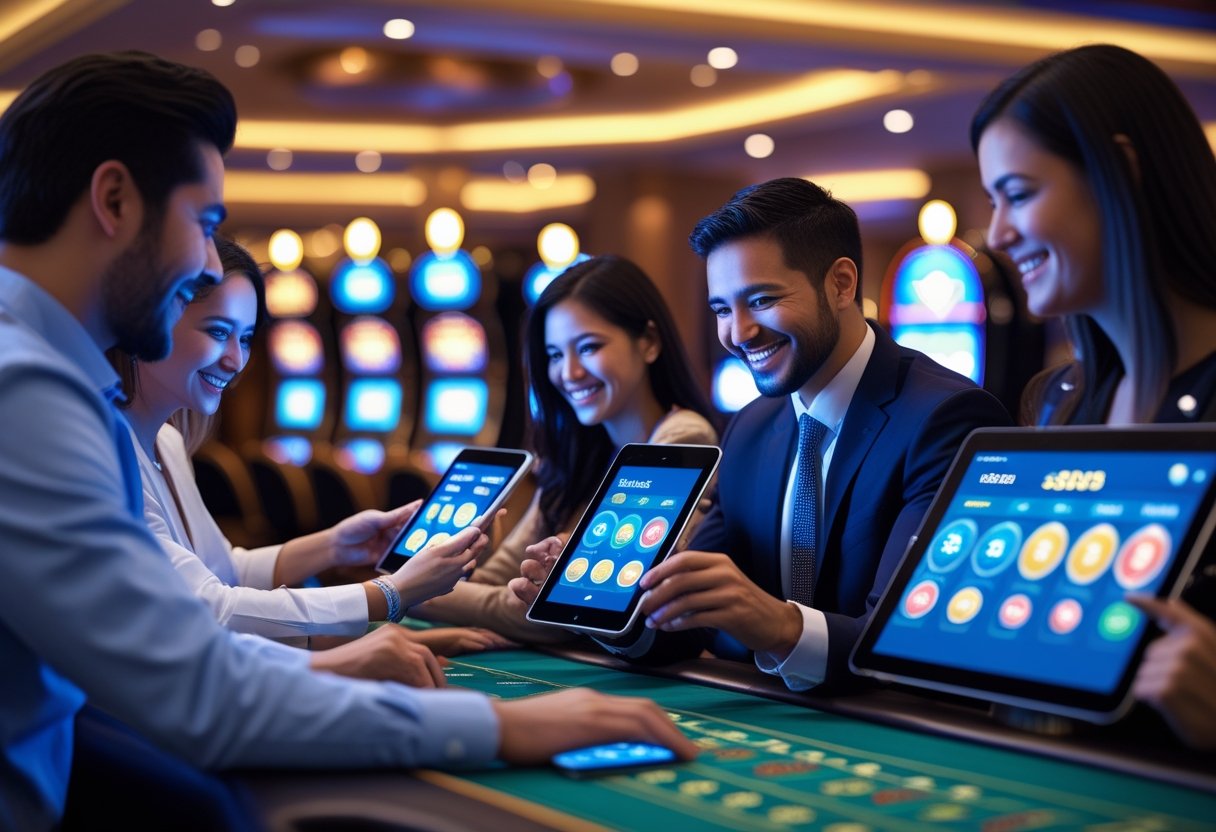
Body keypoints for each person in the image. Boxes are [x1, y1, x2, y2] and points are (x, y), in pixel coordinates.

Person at [0, 50, 694, 831]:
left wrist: (345, 635)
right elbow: (194, 689)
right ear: (114, 200)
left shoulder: (47, 377)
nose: (206, 261)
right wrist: (501, 725)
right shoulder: (25, 390)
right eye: (204, 224)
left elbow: (174, 637)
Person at [527, 177, 1010, 688]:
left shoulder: (947, 419)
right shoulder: (749, 427)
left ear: (841, 284)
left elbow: (909, 640)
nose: (738, 333)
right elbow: (693, 621)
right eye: (721, 310)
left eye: (760, 300)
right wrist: (601, 604)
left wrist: (780, 625)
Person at [112, 235, 510, 687]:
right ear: (149, 323)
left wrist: (336, 546)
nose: (236, 360)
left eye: (246, 338)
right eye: (218, 332)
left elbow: (225, 571)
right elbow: (210, 609)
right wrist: (391, 593)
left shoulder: (165, 441)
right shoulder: (108, 449)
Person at [972, 43, 1216, 749]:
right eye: (993, 202)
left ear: (1122, 171)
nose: (998, 234)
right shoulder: (1059, 399)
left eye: (1019, 194)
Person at [411, 255, 719, 642]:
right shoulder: (582, 449)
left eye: (589, 347)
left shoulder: (683, 436)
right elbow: (499, 577)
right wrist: (418, 587)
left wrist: (412, 590)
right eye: (555, 355)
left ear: (649, 342)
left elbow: (573, 609)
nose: (569, 373)